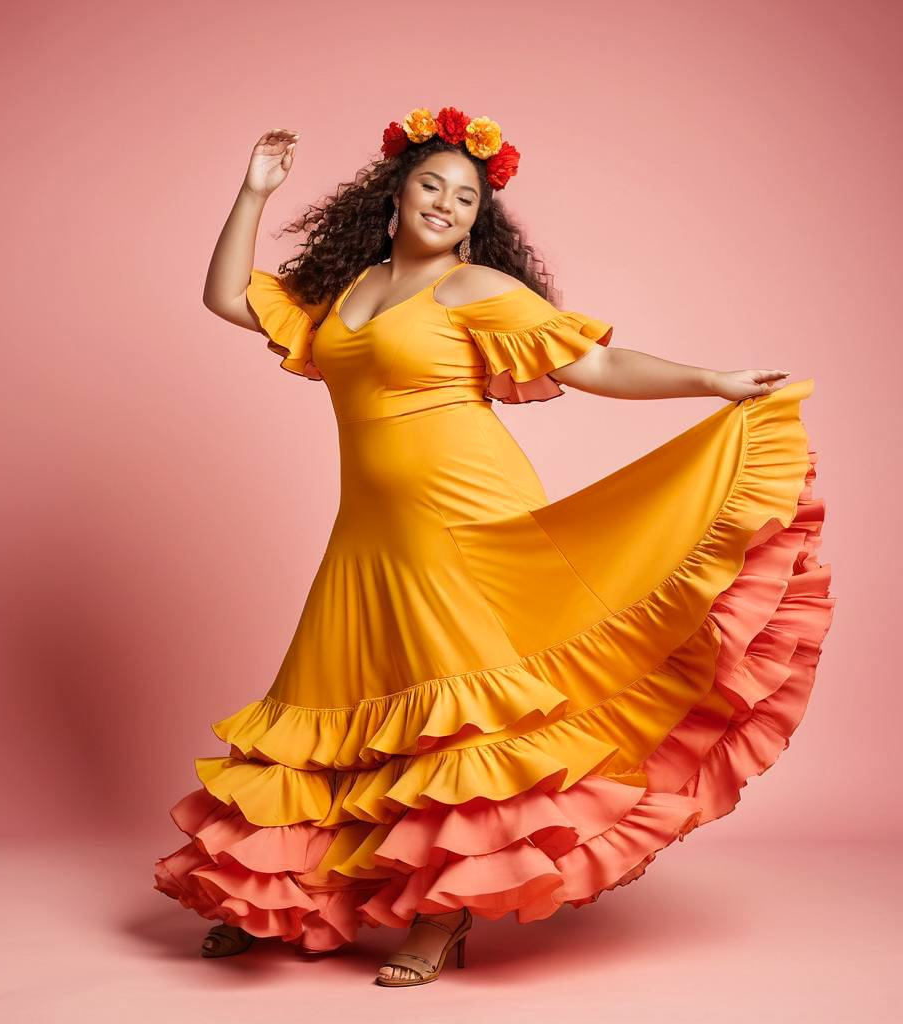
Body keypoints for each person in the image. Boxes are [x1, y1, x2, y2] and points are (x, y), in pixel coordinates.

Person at [153, 107, 835, 988]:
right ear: (393, 195)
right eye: (431, 186)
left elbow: (596, 367)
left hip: (464, 524)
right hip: (368, 535)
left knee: (457, 723)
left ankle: (441, 919)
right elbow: (227, 296)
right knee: (331, 708)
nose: (445, 204)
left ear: (481, 218)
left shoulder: (474, 290)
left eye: (465, 197)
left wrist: (710, 382)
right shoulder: (347, 291)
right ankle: (273, 894)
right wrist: (252, 193)